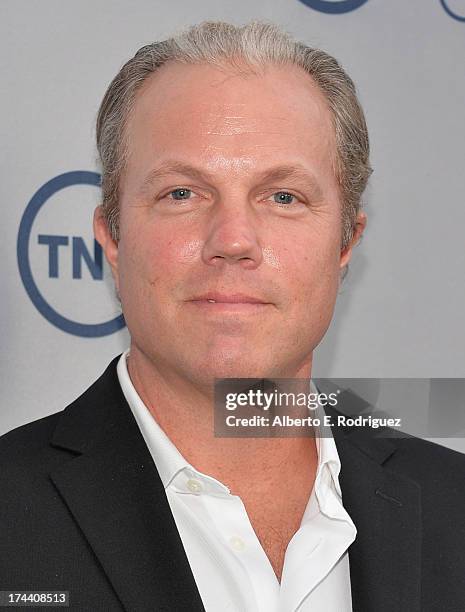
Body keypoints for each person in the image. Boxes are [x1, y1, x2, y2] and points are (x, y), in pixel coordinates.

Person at [1, 20, 464, 612]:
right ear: (112, 241)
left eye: (283, 197)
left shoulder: (456, 508)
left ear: (346, 243)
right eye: (182, 193)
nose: (233, 239)